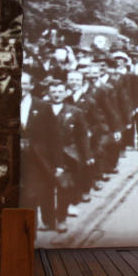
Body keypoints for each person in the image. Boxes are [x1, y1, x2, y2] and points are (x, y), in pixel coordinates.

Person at [19, 71, 60, 231]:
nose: (20, 87)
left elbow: (54, 137)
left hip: (36, 158)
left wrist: (58, 164)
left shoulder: (42, 106)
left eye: (24, 84)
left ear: (31, 86)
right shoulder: (6, 103)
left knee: (31, 194)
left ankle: (30, 231)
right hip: (15, 158)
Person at [47, 79, 88, 231]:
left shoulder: (75, 112)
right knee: (46, 189)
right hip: (46, 155)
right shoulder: (43, 109)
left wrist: (86, 155)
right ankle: (48, 219)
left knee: (64, 186)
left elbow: (82, 135)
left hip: (67, 155)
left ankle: (61, 218)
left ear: (65, 93)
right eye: (53, 92)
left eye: (59, 92)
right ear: (48, 93)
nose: (56, 95)